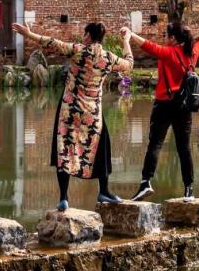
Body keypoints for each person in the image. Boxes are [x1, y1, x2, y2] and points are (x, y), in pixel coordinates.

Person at [11, 20, 133, 209]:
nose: (82, 37)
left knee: (65, 149)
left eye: (84, 34)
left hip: (70, 110)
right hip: (93, 114)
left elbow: (52, 42)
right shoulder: (109, 58)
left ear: (88, 36)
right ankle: (104, 191)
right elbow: (129, 64)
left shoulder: (78, 50)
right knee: (101, 148)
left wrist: (29, 34)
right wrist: (126, 40)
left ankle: (63, 198)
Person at [123, 21, 199, 200]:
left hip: (164, 105)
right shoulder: (192, 53)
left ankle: (145, 183)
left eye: (166, 36)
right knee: (184, 148)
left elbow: (148, 46)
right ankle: (189, 189)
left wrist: (130, 34)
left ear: (174, 38)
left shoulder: (168, 53)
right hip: (184, 107)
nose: (164, 39)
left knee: (155, 144)